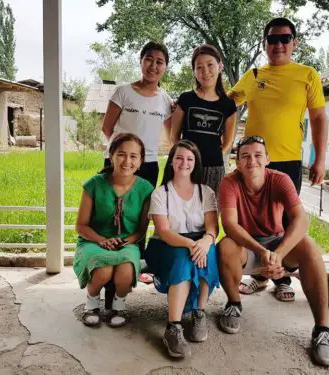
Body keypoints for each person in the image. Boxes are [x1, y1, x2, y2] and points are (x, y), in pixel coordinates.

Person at [228, 17, 328, 301]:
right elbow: (225, 103)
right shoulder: (255, 74)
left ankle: (282, 277)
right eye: (272, 39)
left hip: (287, 162)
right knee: (254, 220)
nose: (278, 44)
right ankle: (260, 275)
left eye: (285, 38)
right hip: (253, 163)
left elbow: (319, 117)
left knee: (283, 222)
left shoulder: (308, 74)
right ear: (264, 44)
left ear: (294, 43)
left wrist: (320, 159)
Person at [217, 136, 329, 366]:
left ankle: (322, 329)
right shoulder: (229, 183)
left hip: (277, 243)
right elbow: (229, 225)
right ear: (238, 163)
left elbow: (301, 219)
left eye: (258, 155)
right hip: (248, 245)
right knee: (225, 245)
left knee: (309, 245)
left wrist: (279, 253)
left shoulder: (280, 179)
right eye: (245, 156)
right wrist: (262, 251)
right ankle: (233, 304)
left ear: (268, 159)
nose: (252, 161)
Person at [102, 41, 173, 285]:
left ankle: (135, 261)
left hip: (149, 165)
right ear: (141, 61)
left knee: (141, 214)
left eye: (160, 62)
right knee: (112, 211)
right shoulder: (123, 91)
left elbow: (171, 133)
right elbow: (107, 128)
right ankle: (107, 258)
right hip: (118, 162)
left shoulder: (165, 100)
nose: (154, 65)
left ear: (165, 67)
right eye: (149, 59)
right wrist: (122, 155)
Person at [145, 140, 219, 359]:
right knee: (183, 258)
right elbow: (164, 232)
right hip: (165, 244)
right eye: (179, 157)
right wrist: (192, 245)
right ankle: (173, 326)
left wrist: (206, 240)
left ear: (195, 164)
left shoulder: (205, 192)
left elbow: (213, 226)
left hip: (199, 240)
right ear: (171, 162)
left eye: (189, 158)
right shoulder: (161, 193)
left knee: (210, 253)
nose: (184, 163)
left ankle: (199, 312)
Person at [73, 133, 154, 328]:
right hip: (93, 241)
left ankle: (119, 305)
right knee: (103, 270)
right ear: (111, 156)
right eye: (122, 154)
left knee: (126, 270)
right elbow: (81, 226)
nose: (127, 161)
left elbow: (142, 229)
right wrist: (102, 240)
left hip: (127, 242)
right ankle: (91, 304)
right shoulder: (94, 184)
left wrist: (128, 241)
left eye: (134, 156)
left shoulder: (146, 189)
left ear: (141, 161)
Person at [170, 44, 237, 195]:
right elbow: (174, 137)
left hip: (213, 169)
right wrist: (183, 160)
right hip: (185, 167)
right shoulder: (185, 99)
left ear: (220, 66)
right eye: (199, 67)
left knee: (209, 215)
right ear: (194, 71)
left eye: (210, 65)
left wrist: (214, 157)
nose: (205, 71)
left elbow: (227, 142)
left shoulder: (228, 105)